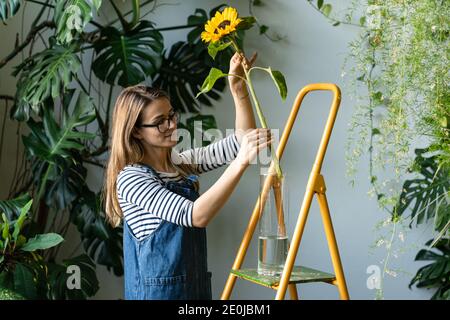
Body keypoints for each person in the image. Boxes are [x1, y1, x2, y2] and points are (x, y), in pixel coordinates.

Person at [103, 52, 273, 300]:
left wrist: (239, 90)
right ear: (137, 132)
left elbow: (240, 142)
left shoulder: (181, 164)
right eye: (160, 122)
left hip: (194, 292)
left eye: (171, 115)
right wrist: (241, 162)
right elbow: (195, 215)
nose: (172, 125)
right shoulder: (132, 179)